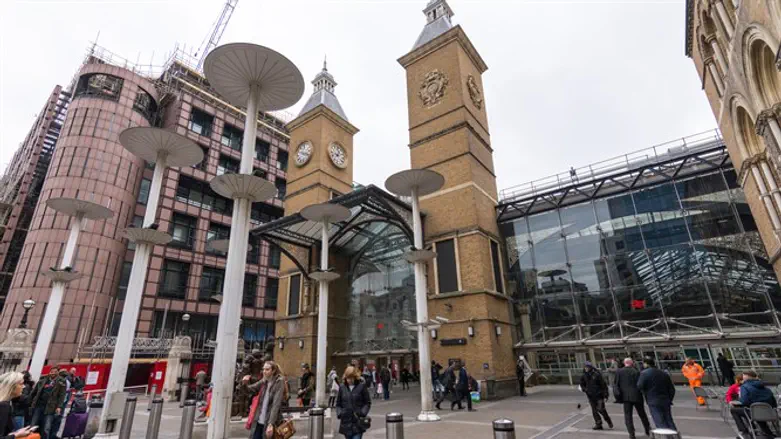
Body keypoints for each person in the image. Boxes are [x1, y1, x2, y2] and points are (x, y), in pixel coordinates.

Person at [242, 361, 285, 439]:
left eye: (267, 369)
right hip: (259, 420)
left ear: (273, 371)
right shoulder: (264, 380)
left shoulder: (279, 381)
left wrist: (271, 424)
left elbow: (276, 404)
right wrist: (245, 383)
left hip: (270, 421)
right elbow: (250, 389)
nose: (264, 371)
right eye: (263, 369)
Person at [729, 370, 777, 439]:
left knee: (734, 410)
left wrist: (739, 401)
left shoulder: (744, 387)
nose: (742, 377)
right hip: (770, 413)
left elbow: (744, 401)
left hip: (755, 413)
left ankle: (745, 432)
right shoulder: (766, 388)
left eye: (743, 375)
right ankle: (767, 432)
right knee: (757, 410)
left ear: (747, 376)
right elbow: (774, 402)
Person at [637, 357, 677, 431]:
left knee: (659, 421)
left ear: (646, 364)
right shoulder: (663, 373)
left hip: (653, 400)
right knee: (669, 420)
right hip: (665, 400)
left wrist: (645, 392)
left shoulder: (644, 373)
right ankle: (674, 434)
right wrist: (669, 399)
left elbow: (639, 386)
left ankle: (665, 435)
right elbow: (672, 389)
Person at [615, 358, 650, 439]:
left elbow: (616, 384)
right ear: (632, 363)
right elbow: (640, 384)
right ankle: (647, 429)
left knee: (628, 416)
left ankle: (631, 433)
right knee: (642, 414)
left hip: (626, 397)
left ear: (624, 363)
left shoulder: (619, 372)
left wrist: (618, 396)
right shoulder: (636, 371)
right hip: (637, 395)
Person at [336, 366, 371, 439]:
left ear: (355, 377)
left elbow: (367, 402)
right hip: (346, 422)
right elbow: (338, 404)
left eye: (351, 378)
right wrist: (340, 413)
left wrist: (362, 412)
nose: (349, 380)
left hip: (357, 421)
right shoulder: (342, 387)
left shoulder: (361, 386)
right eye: (348, 378)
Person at [30, 367, 66, 439]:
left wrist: (59, 407)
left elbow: (62, 395)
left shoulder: (61, 381)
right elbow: (34, 392)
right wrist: (31, 402)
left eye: (55, 372)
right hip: (39, 405)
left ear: (58, 373)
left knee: (46, 427)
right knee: (33, 425)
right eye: (52, 371)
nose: (53, 373)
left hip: (51, 407)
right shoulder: (43, 379)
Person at [0, 372, 35, 438]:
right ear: (11, 386)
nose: (24, 386)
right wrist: (16, 435)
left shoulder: (7, 402)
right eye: (21, 384)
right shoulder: (3, 405)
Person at [579, 361, 613, 430]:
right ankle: (598, 424)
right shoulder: (584, 375)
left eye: (587, 367)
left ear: (590, 367)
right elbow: (582, 384)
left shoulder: (597, 374)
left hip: (599, 395)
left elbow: (603, 385)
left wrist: (606, 395)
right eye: (585, 367)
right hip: (590, 396)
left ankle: (608, 419)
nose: (586, 368)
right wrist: (585, 389)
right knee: (594, 411)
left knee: (601, 409)